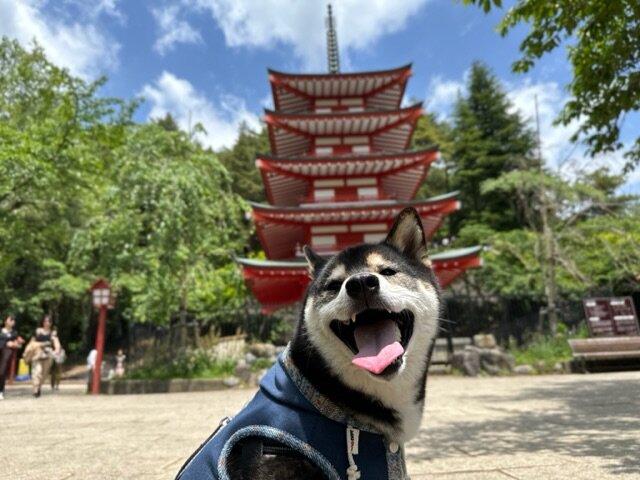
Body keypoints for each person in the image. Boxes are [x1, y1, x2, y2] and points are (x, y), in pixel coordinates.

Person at [29, 315, 61, 398]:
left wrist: (57, 350)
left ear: (51, 323)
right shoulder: (38, 331)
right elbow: (31, 342)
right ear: (42, 322)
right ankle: (35, 389)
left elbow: (56, 343)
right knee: (37, 372)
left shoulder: (53, 333)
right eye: (45, 321)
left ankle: (39, 386)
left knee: (44, 374)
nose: (47, 323)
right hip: (37, 353)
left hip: (48, 354)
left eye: (49, 321)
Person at [0, 315, 25, 400]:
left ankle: (1, 391)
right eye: (11, 320)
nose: (12, 322)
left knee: (2, 372)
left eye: (14, 320)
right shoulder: (0, 331)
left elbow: (19, 345)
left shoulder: (14, 333)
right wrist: (6, 343)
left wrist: (16, 344)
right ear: (5, 321)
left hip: (6, 353)